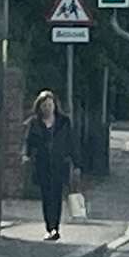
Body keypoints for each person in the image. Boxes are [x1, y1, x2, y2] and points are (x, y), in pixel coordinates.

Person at [24, 90, 80, 241]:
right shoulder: (35, 123)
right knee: (46, 197)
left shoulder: (64, 122)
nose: (47, 108)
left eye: (50, 104)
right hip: (42, 165)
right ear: (39, 107)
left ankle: (55, 227)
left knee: (56, 196)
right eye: (44, 105)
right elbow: (29, 143)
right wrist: (27, 156)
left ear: (55, 106)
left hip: (59, 165)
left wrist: (76, 163)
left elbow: (71, 143)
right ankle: (50, 227)